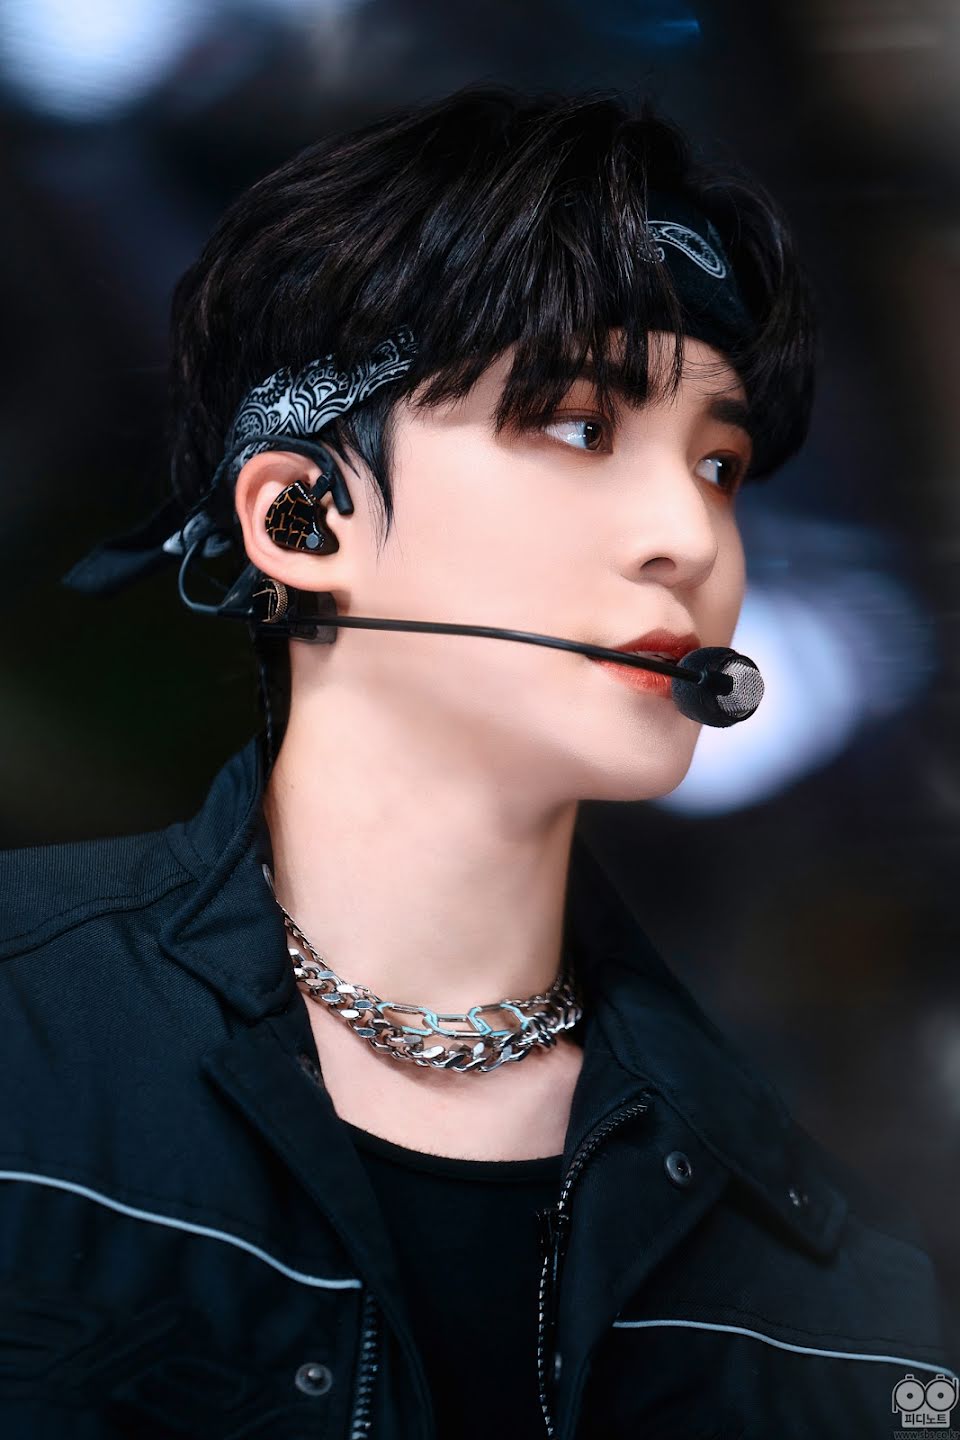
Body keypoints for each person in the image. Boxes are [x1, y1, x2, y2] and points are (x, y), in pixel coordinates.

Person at [1, 85, 954, 1440]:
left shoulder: (829, 1281)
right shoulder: (25, 1036)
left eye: (721, 463)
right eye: (578, 425)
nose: (691, 536)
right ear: (303, 517)